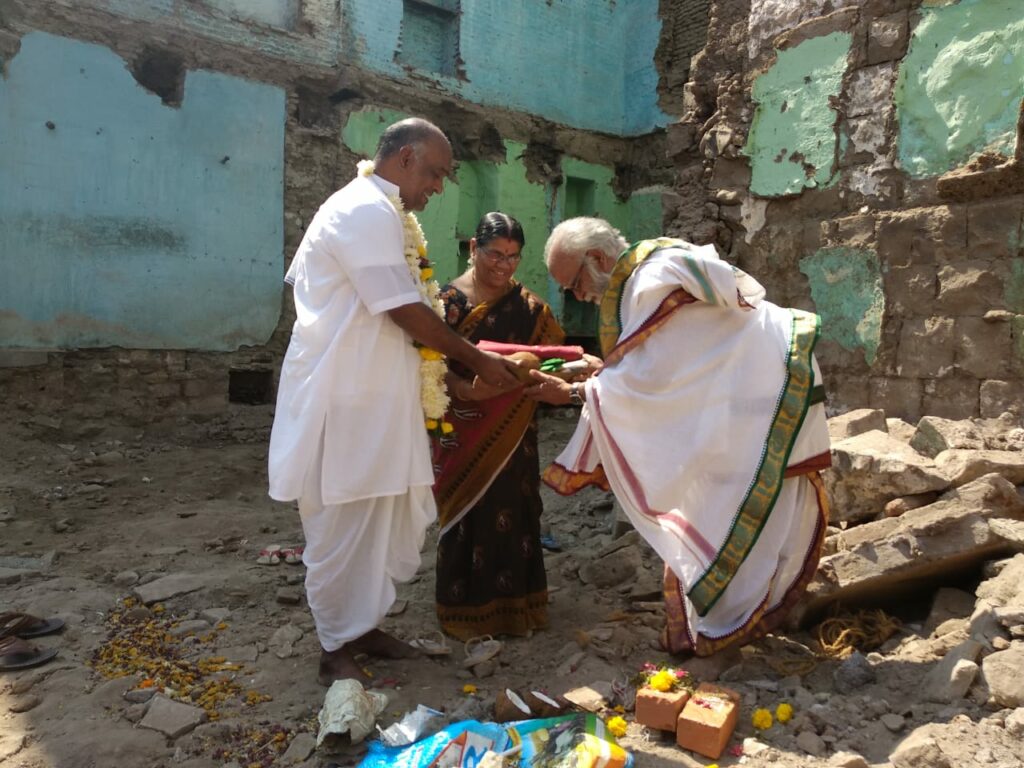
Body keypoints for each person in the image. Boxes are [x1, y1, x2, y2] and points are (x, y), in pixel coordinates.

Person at [267, 118, 521, 685]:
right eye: (434, 173)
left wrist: (452, 381)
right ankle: (336, 646)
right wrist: (477, 361)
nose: (437, 188)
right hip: (346, 398)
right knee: (343, 523)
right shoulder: (362, 209)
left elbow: (404, 323)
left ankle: (364, 626)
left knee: (380, 516)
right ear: (405, 158)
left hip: (383, 399)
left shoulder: (389, 215)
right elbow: (402, 308)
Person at [525, 217, 831, 657]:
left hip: (766, 399)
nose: (577, 296)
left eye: (574, 283)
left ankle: (731, 621)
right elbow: (665, 365)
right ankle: (728, 617)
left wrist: (574, 392)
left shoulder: (649, 283)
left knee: (732, 505)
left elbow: (657, 380)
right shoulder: (650, 269)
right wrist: (600, 373)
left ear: (598, 258)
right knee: (723, 502)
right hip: (757, 390)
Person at [431, 212, 568, 641]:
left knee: (515, 508)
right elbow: (426, 365)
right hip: (462, 426)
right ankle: (463, 613)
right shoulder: (445, 304)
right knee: (466, 513)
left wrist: (540, 373)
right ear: (473, 249)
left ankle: (518, 610)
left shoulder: (530, 308)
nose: (503, 265)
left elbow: (555, 357)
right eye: (494, 254)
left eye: (513, 257)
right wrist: (466, 391)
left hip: (514, 431)